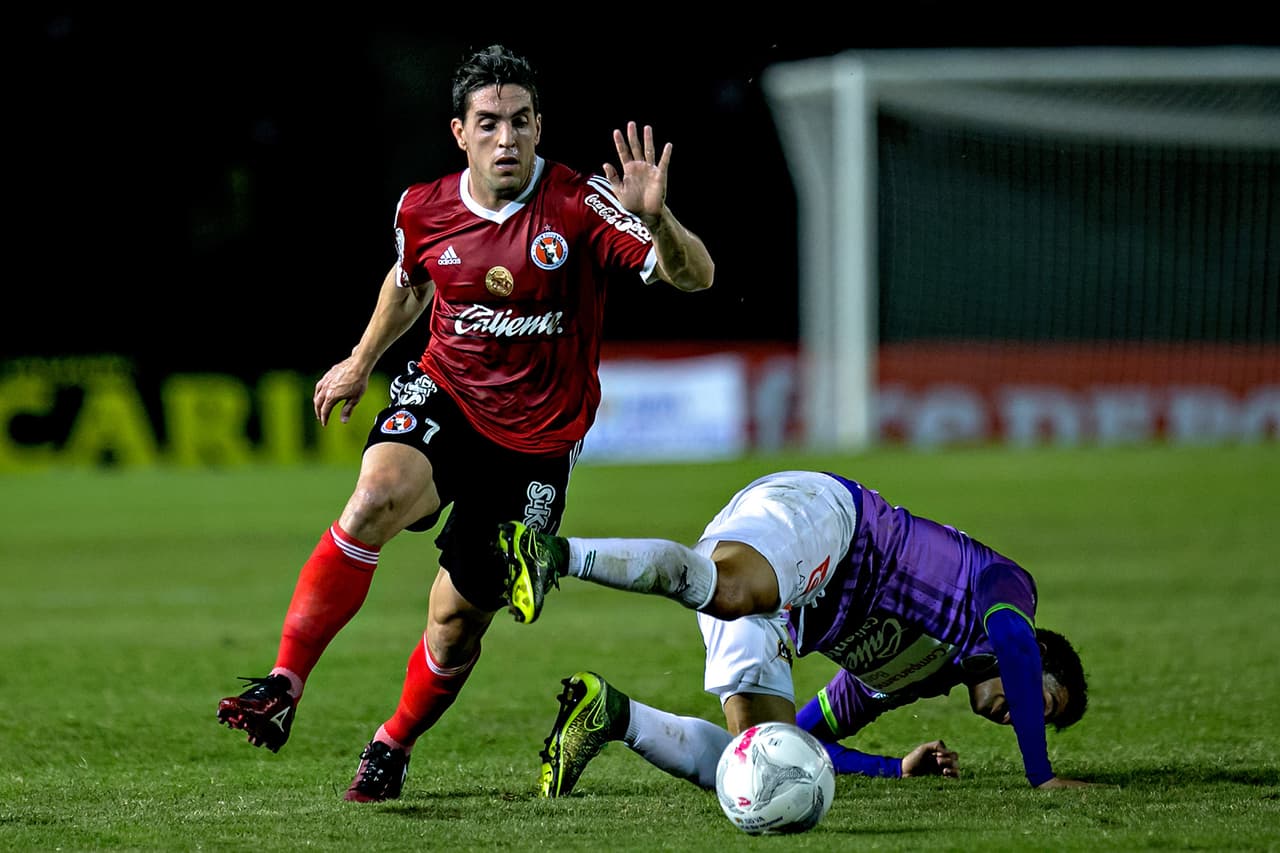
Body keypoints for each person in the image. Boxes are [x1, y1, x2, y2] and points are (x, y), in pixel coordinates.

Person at [214, 43, 714, 803]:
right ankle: (285, 680)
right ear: (460, 132)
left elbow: (695, 277)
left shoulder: (581, 206)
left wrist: (661, 219)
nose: (506, 139)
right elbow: (409, 281)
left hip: (537, 447)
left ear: (540, 125)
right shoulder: (423, 206)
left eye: (520, 122)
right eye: (489, 123)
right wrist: (360, 359)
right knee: (375, 494)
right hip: (446, 397)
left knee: (455, 622)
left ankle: (393, 742)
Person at [495, 469, 1094, 797]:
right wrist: (1039, 775)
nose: (1023, 716)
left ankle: (613, 715)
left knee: (763, 763)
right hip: (829, 522)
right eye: (1040, 703)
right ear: (1040, 655)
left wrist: (894, 770)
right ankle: (556, 554)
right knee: (731, 590)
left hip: (783, 604)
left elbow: (809, 744)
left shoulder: (902, 679)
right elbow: (1014, 645)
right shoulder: (1010, 591)